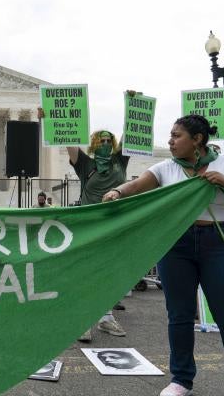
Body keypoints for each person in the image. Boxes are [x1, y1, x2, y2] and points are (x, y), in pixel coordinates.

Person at [102, 114, 224, 396]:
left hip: (218, 241)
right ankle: (181, 380)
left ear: (197, 139)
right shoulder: (166, 167)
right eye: (171, 135)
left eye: (177, 136)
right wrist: (117, 191)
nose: (170, 141)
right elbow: (136, 186)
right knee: (179, 315)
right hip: (176, 244)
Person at [39, 107, 129, 341]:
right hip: (89, 225)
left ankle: (106, 318)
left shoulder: (120, 162)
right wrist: (48, 120)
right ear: (93, 143)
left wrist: (132, 104)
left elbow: (132, 133)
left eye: (109, 140)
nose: (105, 143)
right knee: (87, 272)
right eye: (101, 140)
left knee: (110, 273)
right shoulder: (85, 164)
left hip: (115, 224)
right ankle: (82, 321)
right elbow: (67, 140)